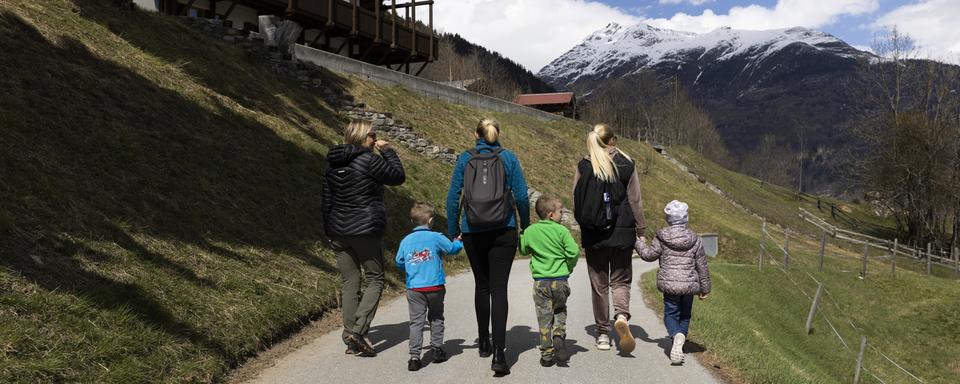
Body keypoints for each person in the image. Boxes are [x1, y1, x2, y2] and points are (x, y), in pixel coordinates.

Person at [445, 117, 529, 375]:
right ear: (498, 134)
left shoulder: (464, 158)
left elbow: (452, 197)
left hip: (472, 230)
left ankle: (483, 341)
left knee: (481, 286)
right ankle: (499, 354)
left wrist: (453, 230)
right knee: (499, 289)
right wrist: (524, 225)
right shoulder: (509, 157)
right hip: (504, 229)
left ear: (476, 134)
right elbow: (522, 196)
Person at [322, 119, 405, 357]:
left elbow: (326, 199)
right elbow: (397, 176)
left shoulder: (331, 162)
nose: (374, 137)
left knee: (350, 282)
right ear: (362, 137)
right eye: (372, 134)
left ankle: (349, 335)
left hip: (338, 230)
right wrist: (388, 151)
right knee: (376, 278)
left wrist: (328, 228)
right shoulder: (368, 160)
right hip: (364, 228)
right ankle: (358, 332)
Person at [572, 123, 646, 353]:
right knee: (621, 279)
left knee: (599, 285)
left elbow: (576, 199)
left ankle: (602, 334)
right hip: (623, 232)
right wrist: (641, 228)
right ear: (612, 141)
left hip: (594, 234)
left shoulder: (584, 165)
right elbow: (635, 200)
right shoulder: (626, 163)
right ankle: (621, 315)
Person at [635, 200, 711, 365]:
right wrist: (705, 288)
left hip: (670, 286)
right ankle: (681, 338)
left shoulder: (662, 237)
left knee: (671, 314)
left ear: (667, 218)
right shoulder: (695, 239)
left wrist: (638, 243)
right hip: (689, 286)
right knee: (685, 315)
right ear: (686, 218)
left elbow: (648, 255)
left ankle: (676, 335)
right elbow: (702, 265)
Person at [395, 202, 463, 371]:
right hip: (435, 287)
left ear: (412, 221)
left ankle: (414, 357)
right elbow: (451, 249)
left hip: (414, 288)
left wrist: (410, 268)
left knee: (416, 322)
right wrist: (458, 241)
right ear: (431, 220)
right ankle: (437, 349)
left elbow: (399, 261)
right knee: (436, 317)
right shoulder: (436, 237)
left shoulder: (406, 241)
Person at [519, 194, 580, 368]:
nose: (562, 215)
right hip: (560, 281)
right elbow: (574, 252)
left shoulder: (531, 231)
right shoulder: (561, 231)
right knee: (559, 309)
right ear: (551, 215)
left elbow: (523, 250)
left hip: (541, 283)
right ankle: (559, 335)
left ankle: (546, 355)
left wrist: (522, 236)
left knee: (544, 318)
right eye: (560, 211)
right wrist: (569, 267)